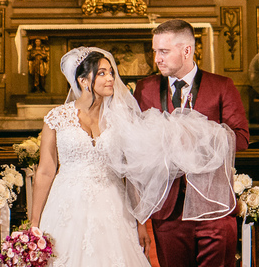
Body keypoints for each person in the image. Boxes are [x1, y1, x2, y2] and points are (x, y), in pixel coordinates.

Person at [29, 46, 238, 267]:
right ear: (82, 80)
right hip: (67, 204)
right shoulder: (56, 118)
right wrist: (34, 221)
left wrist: (140, 223)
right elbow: (45, 170)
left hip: (113, 205)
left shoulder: (121, 119)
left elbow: (132, 173)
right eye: (102, 73)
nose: (111, 78)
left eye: (111, 72)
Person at [134, 19, 250, 267]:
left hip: (214, 209)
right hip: (169, 210)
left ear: (187, 50)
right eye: (155, 51)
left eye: (163, 51)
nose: (157, 59)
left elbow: (241, 138)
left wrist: (199, 136)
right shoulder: (145, 89)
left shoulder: (222, 86)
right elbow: (135, 147)